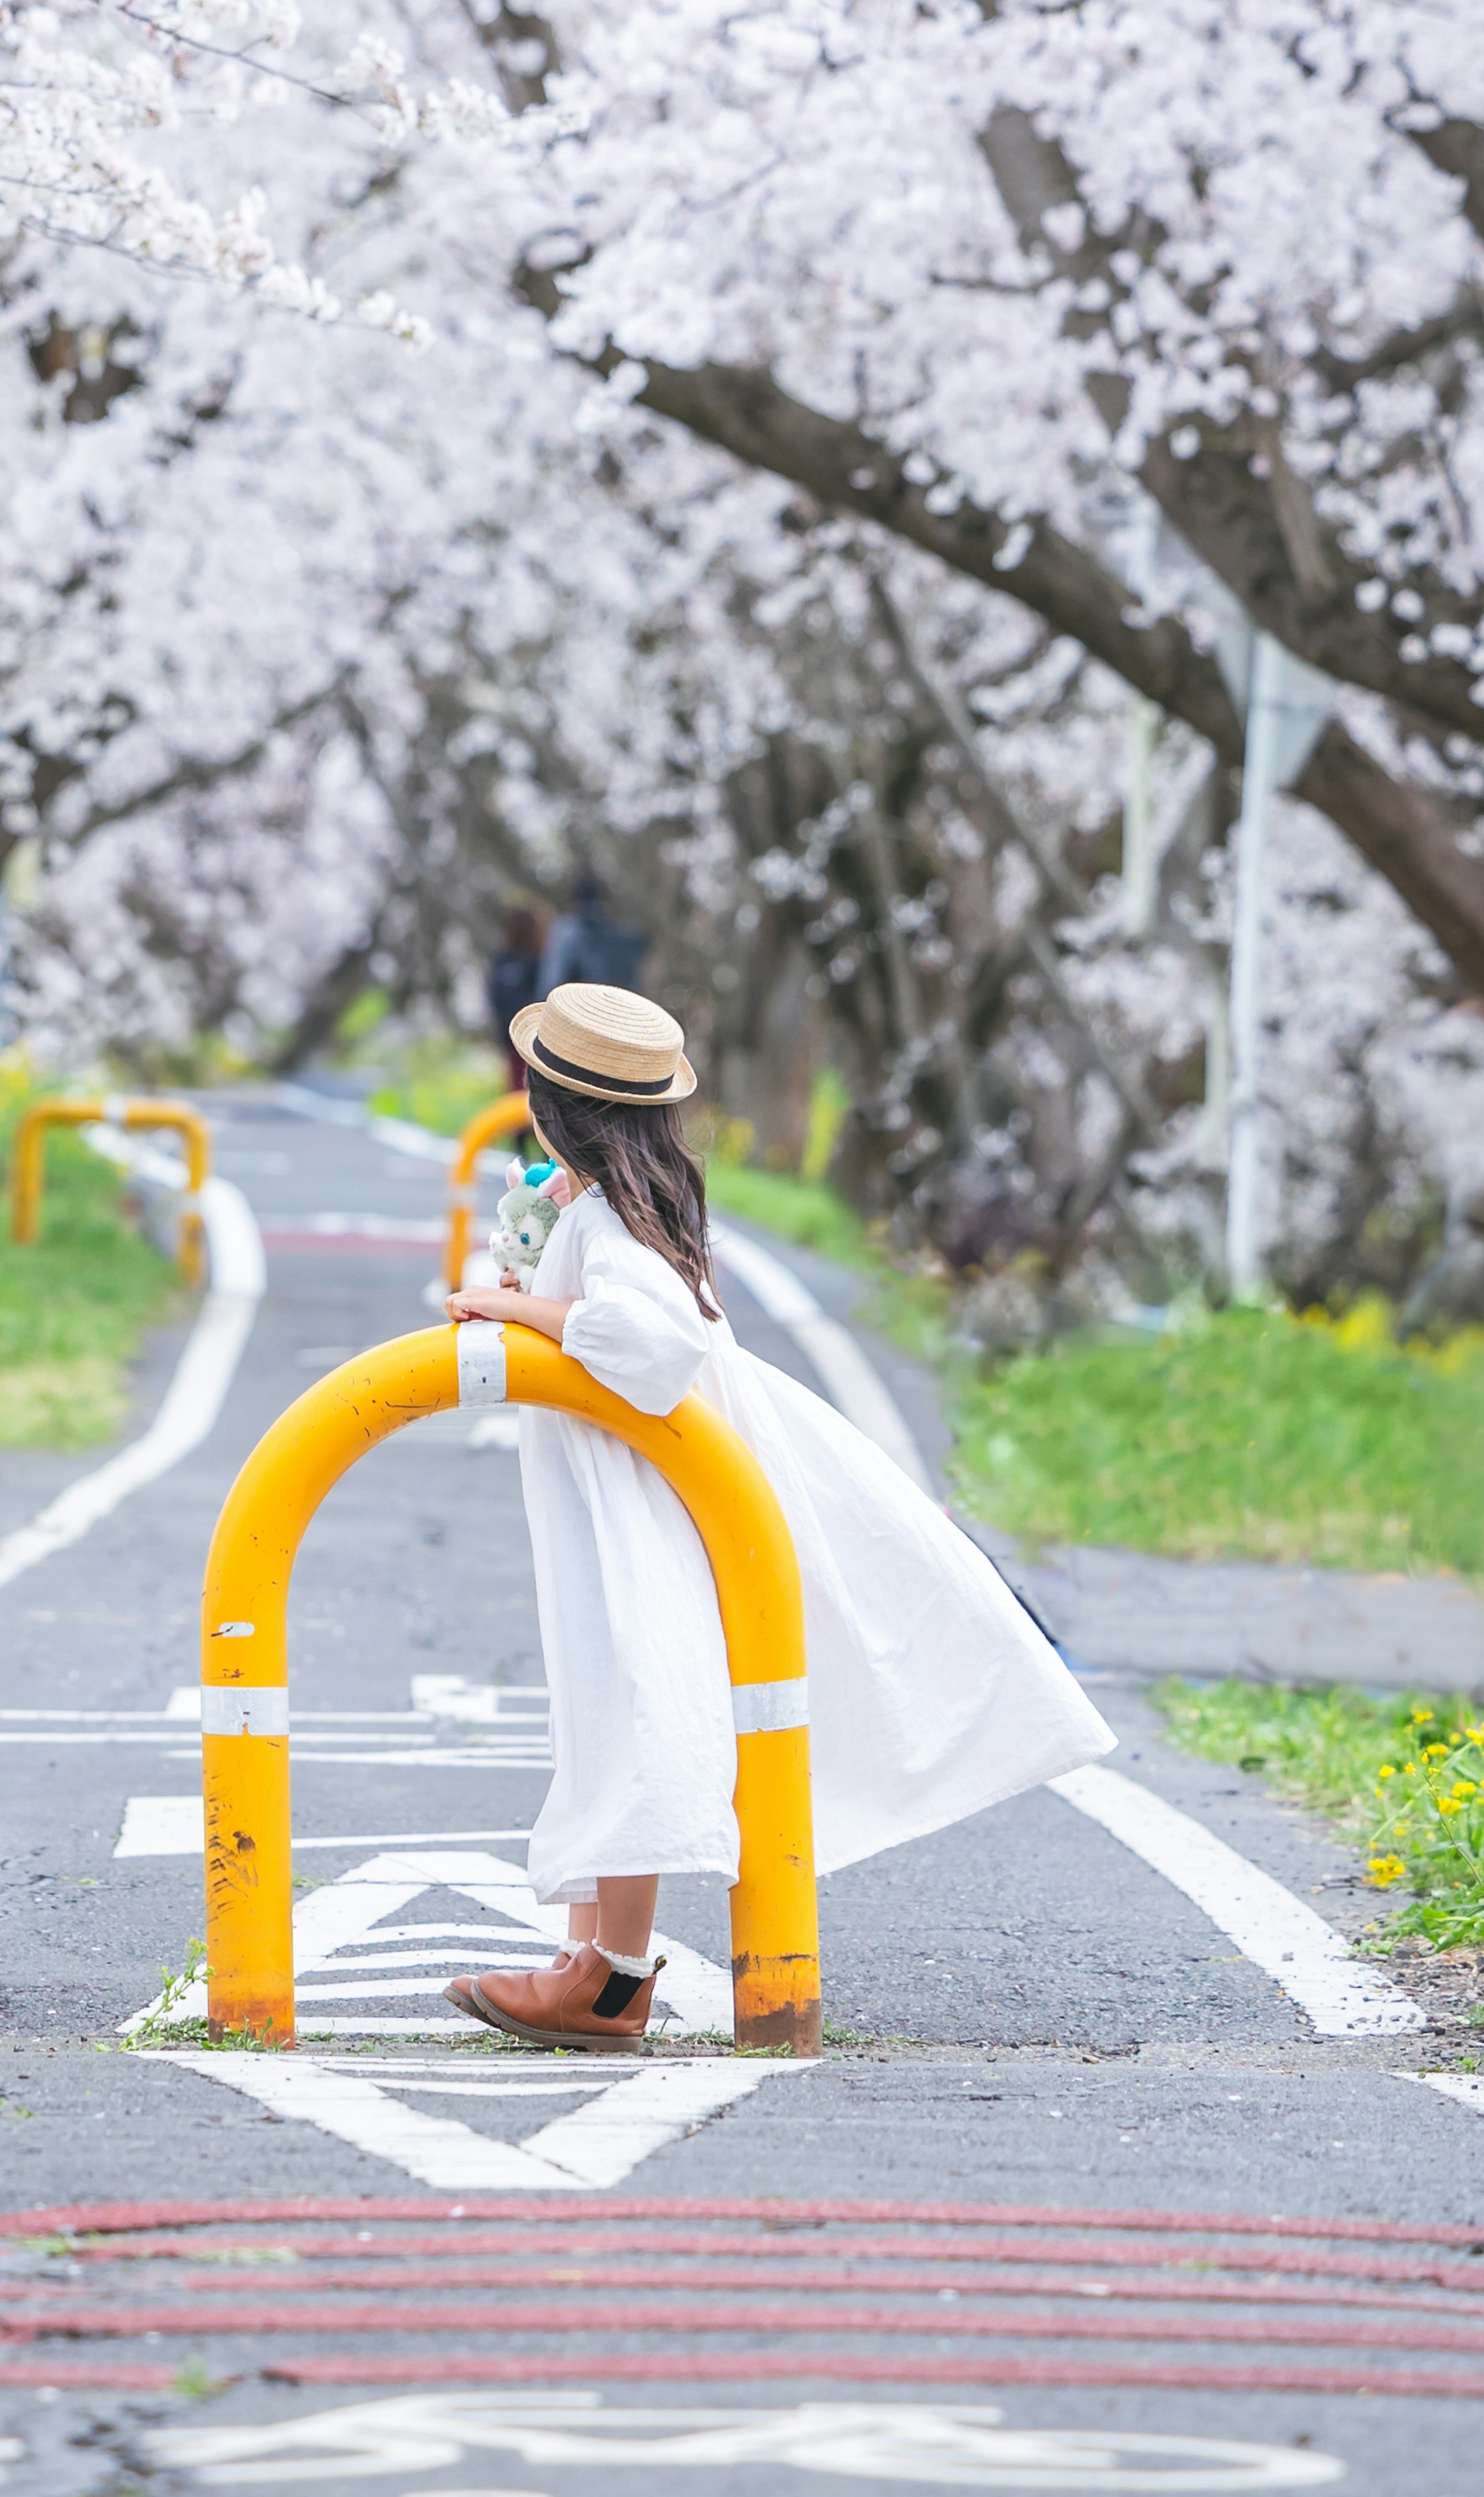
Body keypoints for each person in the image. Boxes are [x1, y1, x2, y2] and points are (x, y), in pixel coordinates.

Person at [440, 980, 1113, 2051]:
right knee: (613, 1700)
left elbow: (649, 1345)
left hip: (652, 1496)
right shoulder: (617, 1202)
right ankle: (589, 1961)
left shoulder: (614, 1220)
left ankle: (609, 1976)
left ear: (550, 1102)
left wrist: (513, 1302)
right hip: (639, 1484)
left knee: (633, 1697)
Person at [542, 866, 648, 994]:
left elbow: (553, 979)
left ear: (575, 901)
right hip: (619, 1007)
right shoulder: (621, 935)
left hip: (575, 1005)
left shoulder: (568, 930)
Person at [486, 898, 551, 1084]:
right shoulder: (538, 961)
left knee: (518, 1086)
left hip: (513, 1036)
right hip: (531, 1038)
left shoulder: (502, 961)